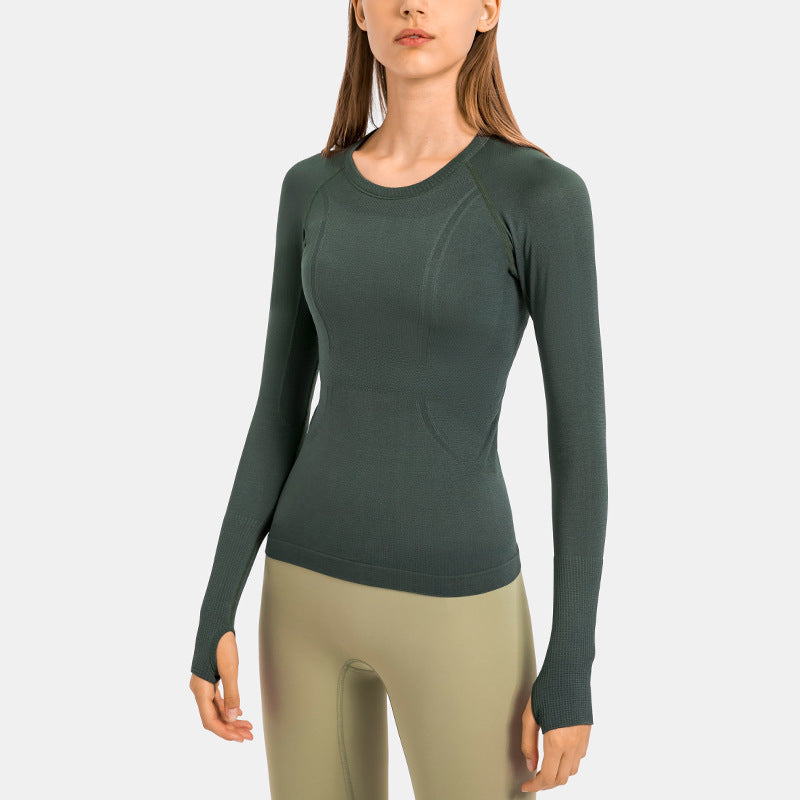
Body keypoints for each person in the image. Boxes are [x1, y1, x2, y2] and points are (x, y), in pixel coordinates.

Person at [189, 1, 608, 797]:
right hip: (302, 598)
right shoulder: (310, 188)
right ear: (359, 10)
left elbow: (579, 443)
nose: (412, 5)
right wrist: (215, 609)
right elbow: (276, 412)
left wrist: (572, 663)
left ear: (487, 9)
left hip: (459, 606)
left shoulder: (540, 196)